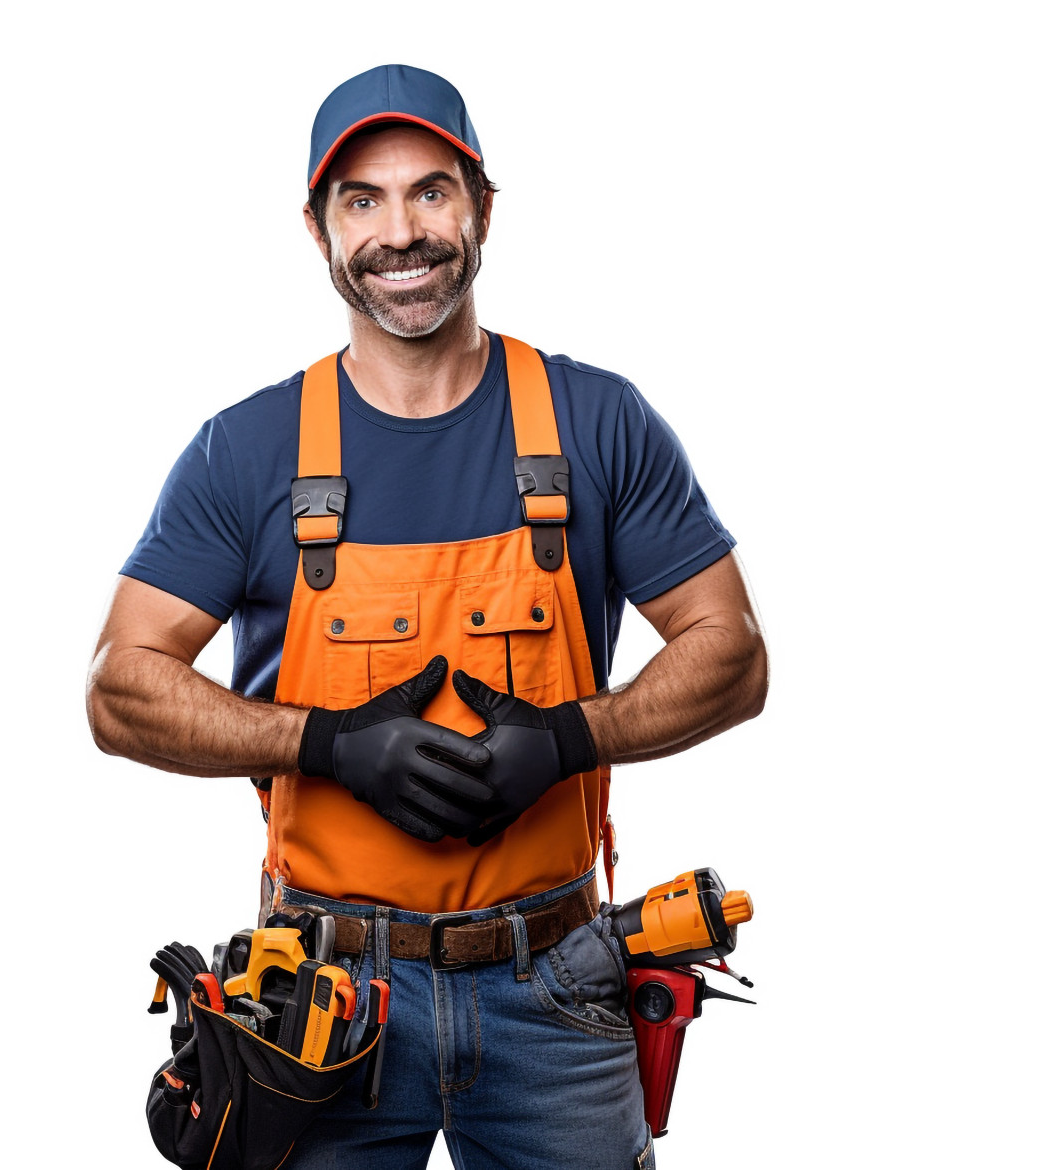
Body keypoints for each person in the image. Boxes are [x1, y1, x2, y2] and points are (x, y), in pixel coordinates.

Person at [88, 64, 767, 1170]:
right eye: (361, 199)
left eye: (430, 192)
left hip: (555, 987)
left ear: (481, 207)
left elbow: (729, 654)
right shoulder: (247, 450)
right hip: (325, 1009)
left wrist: (564, 739)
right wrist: (324, 743)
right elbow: (121, 687)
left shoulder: (596, 422)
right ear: (317, 230)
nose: (399, 232)